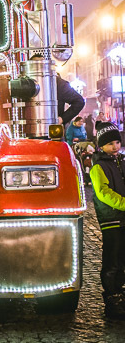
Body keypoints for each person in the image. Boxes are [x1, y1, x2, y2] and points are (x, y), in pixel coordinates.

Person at [90, 122, 125, 319]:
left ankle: (121, 294)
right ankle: (112, 299)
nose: (115, 146)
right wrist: (123, 204)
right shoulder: (99, 166)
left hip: (123, 218)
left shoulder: (121, 161)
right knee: (112, 259)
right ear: (101, 145)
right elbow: (103, 193)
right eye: (110, 143)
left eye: (117, 142)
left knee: (122, 258)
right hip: (111, 219)